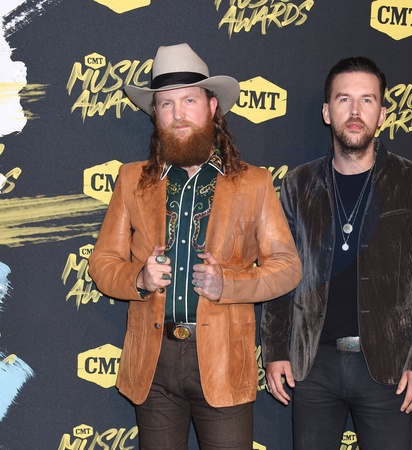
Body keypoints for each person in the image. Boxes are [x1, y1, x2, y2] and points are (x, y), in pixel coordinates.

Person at [88, 43, 302, 450]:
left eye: (189, 100)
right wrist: (139, 278)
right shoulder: (131, 180)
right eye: (166, 104)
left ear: (212, 106)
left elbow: (288, 267)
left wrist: (229, 284)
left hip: (223, 361)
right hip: (152, 363)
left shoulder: (254, 183)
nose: (178, 114)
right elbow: (102, 263)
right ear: (155, 114)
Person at [260, 56, 412, 449]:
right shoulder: (298, 184)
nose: (356, 111)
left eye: (367, 100)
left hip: (388, 368)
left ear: (382, 114)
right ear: (327, 112)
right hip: (313, 366)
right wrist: (275, 350)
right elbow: (280, 271)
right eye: (344, 99)